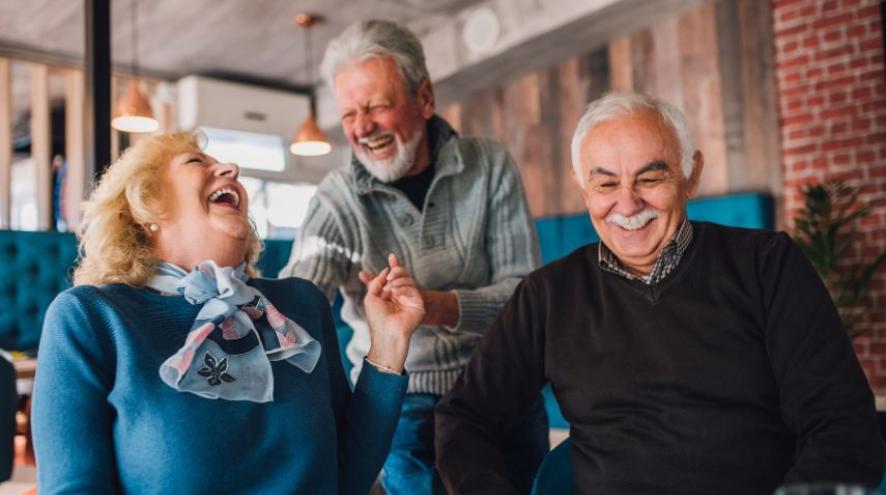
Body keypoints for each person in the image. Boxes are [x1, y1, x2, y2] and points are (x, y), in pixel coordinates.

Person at [435, 92, 885, 494]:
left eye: (650, 179)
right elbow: (465, 417)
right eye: (606, 184)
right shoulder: (547, 295)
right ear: (583, 188)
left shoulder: (767, 265)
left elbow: (842, 422)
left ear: (691, 175)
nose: (628, 204)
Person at [32, 132, 425, 494]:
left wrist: (389, 345)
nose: (231, 169)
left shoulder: (300, 304)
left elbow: (347, 478)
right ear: (144, 206)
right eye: (195, 162)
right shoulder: (90, 318)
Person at [280, 19, 548, 495]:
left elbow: (526, 299)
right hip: (402, 398)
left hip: (501, 383)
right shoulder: (337, 200)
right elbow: (296, 301)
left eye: (376, 106)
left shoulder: (489, 166)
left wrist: (434, 306)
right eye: (349, 113)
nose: (362, 128)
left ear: (424, 98)